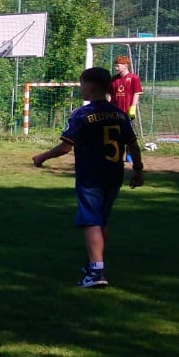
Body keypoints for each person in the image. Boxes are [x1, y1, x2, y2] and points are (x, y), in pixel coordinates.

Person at [32, 66, 144, 289]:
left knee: (90, 221)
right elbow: (132, 144)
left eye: (82, 83)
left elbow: (65, 147)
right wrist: (138, 170)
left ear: (91, 86)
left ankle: (96, 271)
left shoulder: (82, 114)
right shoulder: (119, 114)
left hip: (91, 175)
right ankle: (93, 263)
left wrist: (42, 157)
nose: (81, 87)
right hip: (114, 173)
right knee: (101, 220)